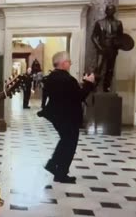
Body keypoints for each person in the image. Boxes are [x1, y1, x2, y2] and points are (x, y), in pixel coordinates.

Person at [39, 51, 95, 183]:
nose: (70, 64)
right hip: (69, 117)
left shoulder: (51, 78)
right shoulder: (68, 80)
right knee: (69, 144)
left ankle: (54, 166)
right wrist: (89, 83)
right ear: (63, 63)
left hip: (57, 116)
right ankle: (60, 172)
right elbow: (79, 96)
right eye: (69, 62)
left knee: (65, 141)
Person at [91, 4, 123, 92]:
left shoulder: (118, 23)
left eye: (112, 10)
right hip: (102, 49)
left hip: (112, 49)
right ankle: (94, 86)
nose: (110, 11)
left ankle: (107, 87)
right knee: (98, 68)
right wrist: (99, 47)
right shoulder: (99, 23)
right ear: (105, 11)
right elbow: (93, 37)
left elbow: (121, 38)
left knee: (110, 69)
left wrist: (118, 45)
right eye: (108, 10)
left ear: (114, 11)